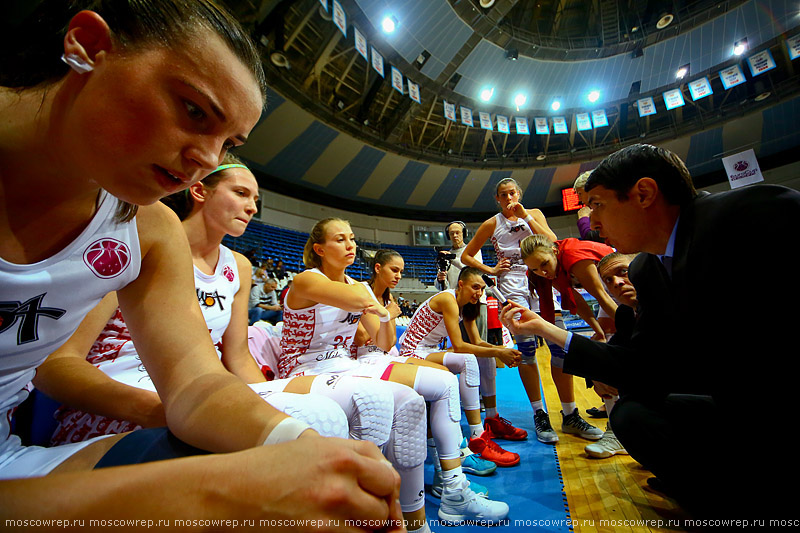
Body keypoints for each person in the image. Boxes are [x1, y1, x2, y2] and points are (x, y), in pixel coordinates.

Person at [0, 1, 402, 527]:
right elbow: (65, 369)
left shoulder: (149, 227)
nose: (208, 158)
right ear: (89, 47)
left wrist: (300, 445)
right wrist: (211, 495)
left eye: (229, 142)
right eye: (194, 111)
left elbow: (194, 383)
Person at [500, 143, 800, 518]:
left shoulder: (755, 213)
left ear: (643, 193)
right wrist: (549, 331)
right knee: (631, 414)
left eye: (597, 204)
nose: (592, 221)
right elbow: (643, 365)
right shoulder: (647, 268)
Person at [40, 158, 396, 454]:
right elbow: (58, 363)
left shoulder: (237, 266)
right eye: (240, 193)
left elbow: (238, 357)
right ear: (199, 190)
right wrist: (159, 410)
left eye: (256, 199)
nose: (252, 207)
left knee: (322, 416)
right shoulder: (137, 239)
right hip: (123, 392)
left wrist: (260, 398)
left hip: (195, 388)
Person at [277, 218, 510, 529]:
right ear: (319, 249)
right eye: (340, 240)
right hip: (304, 368)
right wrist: (382, 308)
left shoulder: (355, 287)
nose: (350, 245)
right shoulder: (307, 280)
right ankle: (372, 502)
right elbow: (358, 300)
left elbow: (385, 342)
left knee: (420, 397)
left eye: (352, 238)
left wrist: (383, 316)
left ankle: (442, 498)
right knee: (380, 398)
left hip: (345, 364)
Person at [462, 177, 600, 444]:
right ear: (497, 199)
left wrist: (526, 216)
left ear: (519, 193)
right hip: (512, 285)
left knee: (559, 345)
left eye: (512, 192)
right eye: (503, 195)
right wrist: (491, 271)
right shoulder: (493, 223)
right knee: (526, 351)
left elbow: (552, 241)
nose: (508, 198)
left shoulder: (533, 214)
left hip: (543, 280)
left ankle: (570, 413)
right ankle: (540, 413)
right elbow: (467, 255)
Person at [355, 251, 500, 484]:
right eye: (395, 270)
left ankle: (472, 440)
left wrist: (387, 317)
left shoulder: (387, 300)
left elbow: (386, 341)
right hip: (402, 353)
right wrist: (386, 318)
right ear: (377, 268)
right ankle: (455, 459)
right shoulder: (362, 292)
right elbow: (377, 340)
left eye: (401, 271)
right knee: (445, 379)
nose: (399, 276)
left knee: (457, 372)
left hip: (391, 354)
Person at [399, 267, 526, 465]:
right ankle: (477, 435)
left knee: (486, 357)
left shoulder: (468, 304)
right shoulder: (448, 299)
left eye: (482, 289)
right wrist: (499, 351)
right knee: (468, 358)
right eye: (475, 287)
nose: (479, 293)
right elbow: (459, 346)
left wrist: (501, 349)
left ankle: (491, 418)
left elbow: (476, 340)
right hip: (413, 352)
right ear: (460, 284)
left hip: (430, 350)